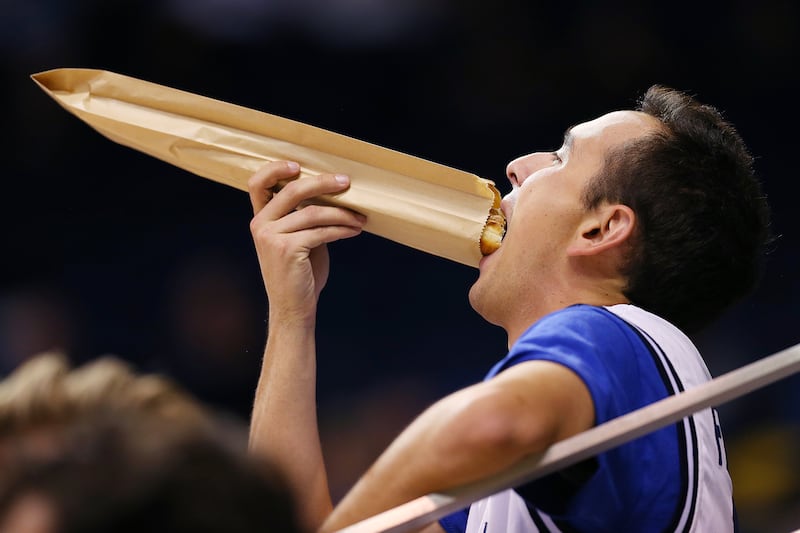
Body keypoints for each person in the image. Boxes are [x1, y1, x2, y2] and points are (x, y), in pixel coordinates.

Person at [246, 86, 771, 532]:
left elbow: (492, 423)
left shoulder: (615, 331)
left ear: (603, 229)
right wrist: (293, 316)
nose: (518, 166)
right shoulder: (633, 372)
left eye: (561, 158)